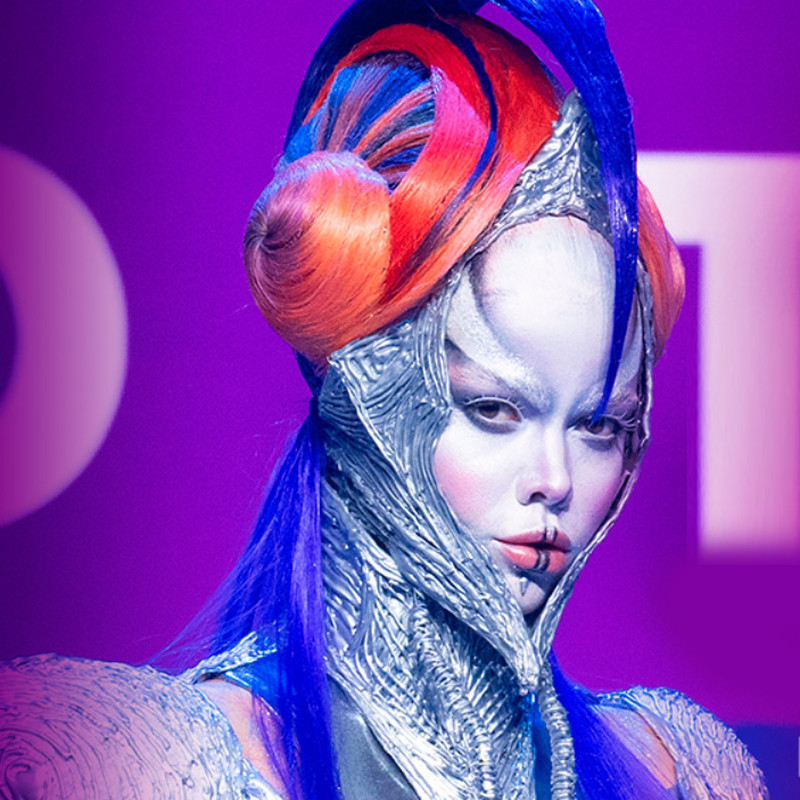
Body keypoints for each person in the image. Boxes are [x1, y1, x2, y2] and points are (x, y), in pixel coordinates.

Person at [0, 1, 767, 799]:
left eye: (599, 425)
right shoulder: (122, 761)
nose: (556, 480)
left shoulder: (683, 773)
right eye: (492, 409)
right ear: (369, 390)